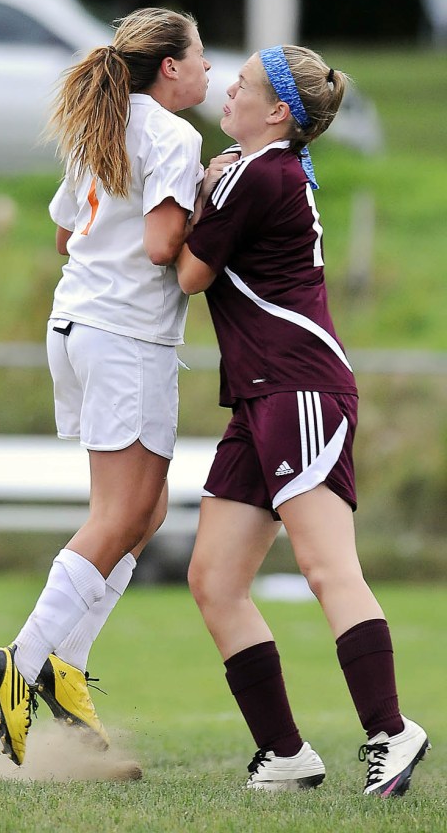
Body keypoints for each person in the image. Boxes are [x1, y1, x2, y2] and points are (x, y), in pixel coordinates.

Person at [176, 43, 430, 797]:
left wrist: (192, 197)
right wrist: (203, 186)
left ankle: (392, 731)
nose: (228, 89)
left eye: (245, 85)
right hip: (260, 393)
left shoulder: (259, 171)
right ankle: (285, 753)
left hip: (299, 391)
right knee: (215, 579)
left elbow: (189, 273)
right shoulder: (251, 167)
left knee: (327, 569)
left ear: (279, 111)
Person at [0, 6, 217, 768]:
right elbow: (158, 246)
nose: (208, 70)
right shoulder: (174, 136)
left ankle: (61, 664)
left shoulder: (103, 121)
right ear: (170, 67)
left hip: (78, 326)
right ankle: (21, 661)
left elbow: (61, 235)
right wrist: (216, 205)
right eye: (202, 56)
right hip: (125, 338)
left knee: (139, 514)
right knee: (120, 516)